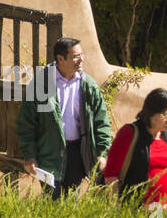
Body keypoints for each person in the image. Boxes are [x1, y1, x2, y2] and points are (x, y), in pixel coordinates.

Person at [16, 37, 113, 199]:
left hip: (77, 152)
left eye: (81, 55)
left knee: (71, 201)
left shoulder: (88, 85)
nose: (81, 59)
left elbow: (101, 121)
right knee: (52, 200)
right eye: (75, 56)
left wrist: (102, 153)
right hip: (49, 152)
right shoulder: (42, 84)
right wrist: (29, 155)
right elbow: (26, 123)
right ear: (60, 59)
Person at [101, 87, 167, 210]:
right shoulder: (129, 133)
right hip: (137, 210)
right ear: (151, 113)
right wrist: (117, 208)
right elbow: (111, 175)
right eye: (166, 115)